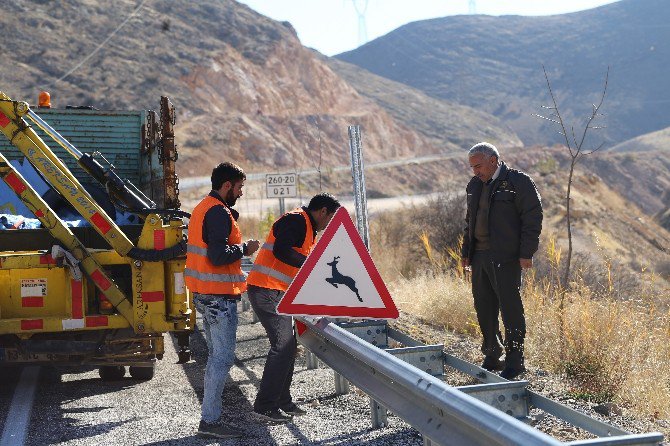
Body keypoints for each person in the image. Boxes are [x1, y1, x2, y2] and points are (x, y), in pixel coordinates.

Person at [246, 193, 341, 423]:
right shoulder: (297, 220)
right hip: (265, 290)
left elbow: (297, 265)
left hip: (276, 292)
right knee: (283, 346)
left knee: (288, 347)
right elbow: (281, 250)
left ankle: (282, 401)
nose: (329, 224)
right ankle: (265, 407)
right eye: (330, 218)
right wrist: (311, 264)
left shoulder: (308, 228)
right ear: (323, 211)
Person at [185, 162, 260, 439]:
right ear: (227, 185)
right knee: (222, 359)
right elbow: (218, 255)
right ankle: (210, 421)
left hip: (206, 294)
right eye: (239, 187)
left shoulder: (204, 207)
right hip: (218, 298)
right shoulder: (217, 212)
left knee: (217, 358)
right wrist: (245, 249)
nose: (241, 192)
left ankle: (210, 418)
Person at [461, 142, 542, 380]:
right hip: (479, 256)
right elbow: (469, 221)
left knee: (510, 310)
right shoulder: (474, 185)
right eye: (472, 167)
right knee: (484, 308)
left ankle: (515, 361)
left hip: (505, 258)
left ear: (493, 161)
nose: (475, 171)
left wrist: (526, 253)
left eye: (478, 166)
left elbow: (533, 217)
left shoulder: (518, 182)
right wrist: (466, 252)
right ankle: (492, 354)